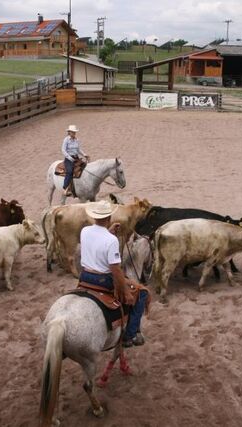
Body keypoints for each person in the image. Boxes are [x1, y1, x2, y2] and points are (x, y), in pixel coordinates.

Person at [79, 201, 148, 347]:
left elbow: (96, 240)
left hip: (84, 277)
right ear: (109, 216)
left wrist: (108, 231)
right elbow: (115, 269)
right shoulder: (111, 241)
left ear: (94, 216)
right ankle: (130, 336)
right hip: (103, 280)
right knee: (142, 293)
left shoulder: (85, 231)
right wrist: (126, 292)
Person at [61, 125, 87, 196]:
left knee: (85, 167)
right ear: (69, 132)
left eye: (75, 132)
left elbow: (78, 149)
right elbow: (63, 150)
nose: (74, 133)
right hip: (68, 159)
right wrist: (69, 158)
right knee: (69, 171)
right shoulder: (66, 140)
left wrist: (84, 154)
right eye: (73, 132)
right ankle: (65, 188)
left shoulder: (77, 140)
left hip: (76, 158)